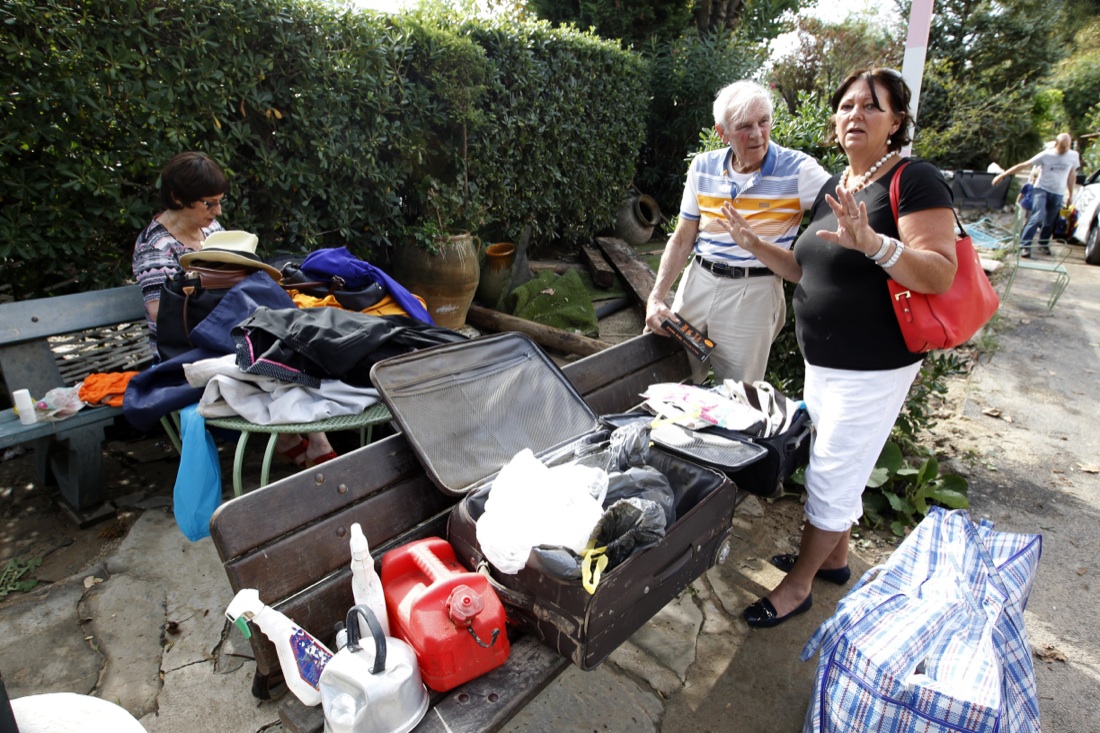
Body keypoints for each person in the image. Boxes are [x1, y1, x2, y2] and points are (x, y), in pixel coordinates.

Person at [717, 68, 957, 628]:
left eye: (871, 106)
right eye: (847, 105)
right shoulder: (839, 184)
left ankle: (798, 586)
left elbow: (940, 272)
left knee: (831, 473)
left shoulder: (915, 179)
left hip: (873, 365)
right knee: (833, 461)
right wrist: (753, 243)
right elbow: (807, 270)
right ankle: (834, 560)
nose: (856, 115)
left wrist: (874, 243)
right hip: (825, 361)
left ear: (896, 121)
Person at [132, 152, 336, 468]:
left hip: (226, 333)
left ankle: (305, 440)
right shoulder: (155, 246)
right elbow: (161, 312)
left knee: (288, 343)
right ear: (177, 198)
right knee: (270, 354)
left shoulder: (212, 231)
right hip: (186, 349)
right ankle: (308, 442)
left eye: (219, 202)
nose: (217, 211)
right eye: (209, 203)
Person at [645, 80, 830, 385]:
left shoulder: (798, 170)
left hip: (753, 293)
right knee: (672, 381)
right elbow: (681, 239)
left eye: (763, 122)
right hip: (697, 284)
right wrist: (656, 297)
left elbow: (843, 210)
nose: (757, 134)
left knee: (738, 395)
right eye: (744, 126)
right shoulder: (703, 166)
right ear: (722, 132)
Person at [992, 133, 1080, 257]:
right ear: (1056, 144)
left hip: (1058, 192)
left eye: (1067, 147)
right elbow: (1024, 165)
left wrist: (1071, 194)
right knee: (1038, 216)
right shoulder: (1046, 155)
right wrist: (1003, 175)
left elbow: (1072, 174)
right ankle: (1025, 245)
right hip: (1041, 189)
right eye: (1062, 147)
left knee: (1050, 221)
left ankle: (1043, 243)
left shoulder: (1073, 155)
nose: (1064, 150)